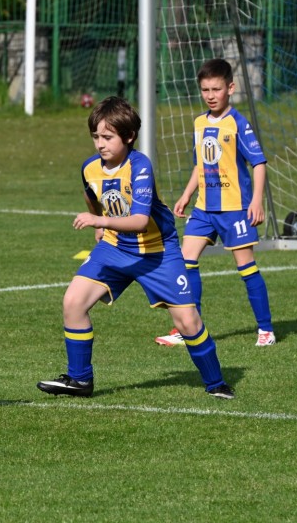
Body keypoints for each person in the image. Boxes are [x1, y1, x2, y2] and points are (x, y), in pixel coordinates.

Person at [37, 96, 235, 400]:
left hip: (157, 253)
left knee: (187, 321)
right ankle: (79, 380)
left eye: (108, 137)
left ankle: (216, 383)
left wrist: (98, 220)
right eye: (96, 137)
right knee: (73, 302)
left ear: (129, 136)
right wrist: (100, 224)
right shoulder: (89, 167)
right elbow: (91, 193)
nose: (100, 144)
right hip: (115, 248)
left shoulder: (139, 166)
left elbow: (141, 221)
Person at [154, 58, 275, 348]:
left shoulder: (238, 123)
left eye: (216, 89)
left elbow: (259, 163)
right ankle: (189, 328)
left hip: (235, 209)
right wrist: (186, 195)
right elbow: (200, 164)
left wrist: (256, 201)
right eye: (205, 90)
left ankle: (266, 329)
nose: (210, 95)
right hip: (203, 209)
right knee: (185, 261)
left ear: (230, 88)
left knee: (246, 268)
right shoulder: (199, 123)